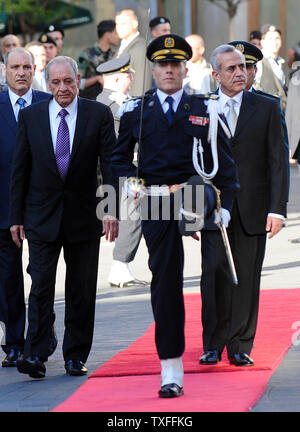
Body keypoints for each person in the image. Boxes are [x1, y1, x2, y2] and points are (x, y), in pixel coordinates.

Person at [111, 34, 239, 398]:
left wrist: (226, 204)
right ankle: (171, 367)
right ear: (153, 69)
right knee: (165, 282)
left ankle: (221, 341)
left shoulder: (205, 108)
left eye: (175, 64)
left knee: (216, 271)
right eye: (163, 64)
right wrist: (129, 182)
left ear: (186, 69)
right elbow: (118, 158)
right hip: (157, 202)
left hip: (199, 199)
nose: (169, 70)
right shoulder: (137, 110)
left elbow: (225, 167)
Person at [9, 56, 118, 379]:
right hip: (41, 217)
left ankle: (75, 354)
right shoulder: (31, 117)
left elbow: (110, 165)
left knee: (81, 289)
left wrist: (110, 209)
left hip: (85, 217)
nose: (62, 89)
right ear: (48, 82)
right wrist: (16, 216)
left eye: (68, 82)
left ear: (78, 79)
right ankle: (36, 353)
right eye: (55, 82)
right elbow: (20, 170)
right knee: (40, 287)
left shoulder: (97, 114)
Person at [199, 44, 288, 367]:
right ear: (215, 75)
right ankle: (213, 343)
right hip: (214, 209)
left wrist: (277, 209)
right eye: (231, 69)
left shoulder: (266, 107)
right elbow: (191, 162)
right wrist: (191, 210)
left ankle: (240, 344)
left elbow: (277, 161)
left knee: (247, 277)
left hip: (254, 207)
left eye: (243, 67)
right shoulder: (200, 108)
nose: (239, 73)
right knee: (212, 276)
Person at [0, 48, 54, 368]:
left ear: (35, 70)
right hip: (4, 206)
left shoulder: (48, 102)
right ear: (4, 70)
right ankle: (16, 342)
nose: (21, 72)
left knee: (42, 273)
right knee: (8, 277)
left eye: (26, 67)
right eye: (14, 67)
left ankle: (42, 333)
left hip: (43, 205)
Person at [96, 55, 147, 287]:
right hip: (120, 171)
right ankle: (119, 266)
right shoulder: (105, 103)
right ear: (118, 78)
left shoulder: (124, 100)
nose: (131, 79)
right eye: (128, 76)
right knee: (132, 214)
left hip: (132, 168)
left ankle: (122, 265)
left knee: (135, 214)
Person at [77, 20, 119, 100]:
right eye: (115, 33)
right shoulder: (87, 54)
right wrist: (97, 79)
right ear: (107, 35)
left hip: (110, 99)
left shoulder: (114, 55)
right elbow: (77, 82)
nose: (118, 36)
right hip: (89, 100)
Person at [115, 9, 152, 97]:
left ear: (134, 24)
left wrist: (138, 104)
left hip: (133, 102)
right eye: (117, 24)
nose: (118, 27)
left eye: (123, 24)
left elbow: (142, 80)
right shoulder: (123, 45)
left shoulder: (140, 46)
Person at [255, 24, 287, 110]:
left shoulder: (281, 63)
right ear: (262, 42)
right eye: (270, 39)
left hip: (280, 114)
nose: (274, 42)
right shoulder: (258, 61)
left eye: (277, 38)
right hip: (264, 112)